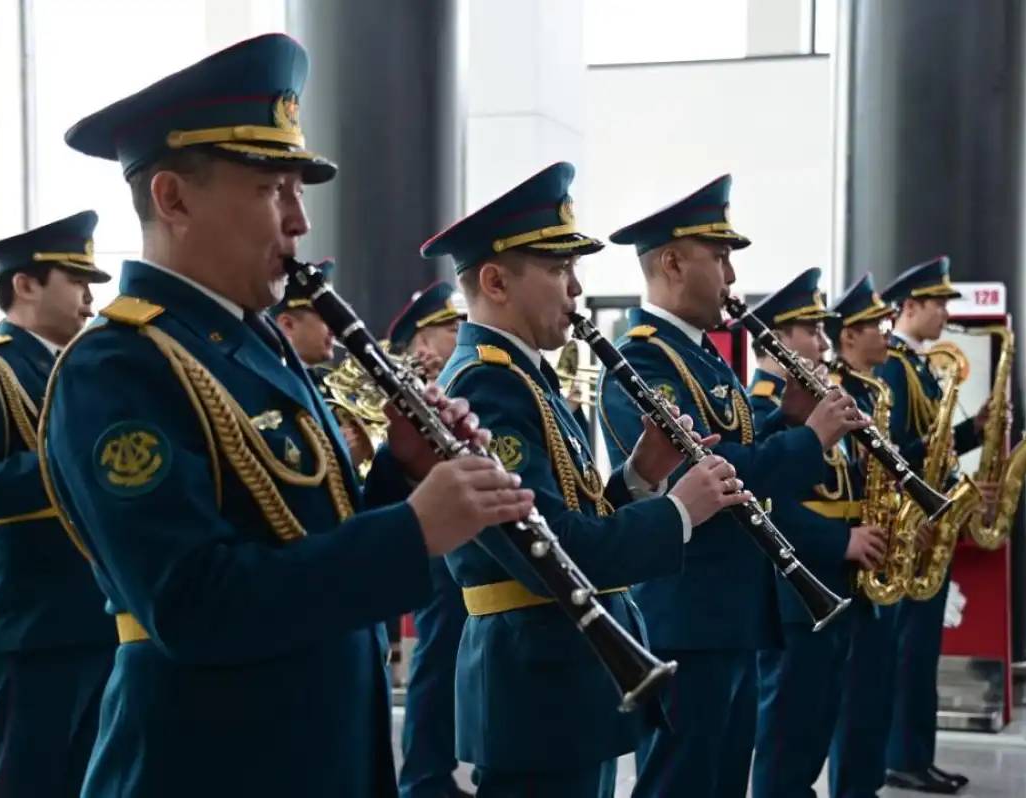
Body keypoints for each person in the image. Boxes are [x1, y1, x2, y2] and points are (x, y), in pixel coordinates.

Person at [42, 34, 534, 796]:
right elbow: (192, 605)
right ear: (172, 198)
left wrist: (400, 474)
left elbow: (310, 537)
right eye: (274, 189)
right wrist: (412, 530)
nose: (300, 222)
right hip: (208, 761)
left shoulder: (257, 342)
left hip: (316, 745)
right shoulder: (119, 364)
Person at [422, 161, 750, 797]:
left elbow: (572, 511)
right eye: (558, 270)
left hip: (560, 674)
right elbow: (548, 552)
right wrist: (678, 513)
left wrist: (640, 475)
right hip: (534, 679)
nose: (576, 289)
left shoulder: (522, 374)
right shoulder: (487, 383)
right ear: (494, 280)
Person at [600, 176, 866, 798]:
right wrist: (812, 439)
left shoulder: (704, 353)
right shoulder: (640, 358)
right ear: (671, 262)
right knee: (681, 779)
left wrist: (791, 417)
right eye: (718, 257)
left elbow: (736, 443)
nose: (729, 275)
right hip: (687, 612)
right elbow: (708, 472)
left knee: (721, 778)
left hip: (734, 608)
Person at [0, 210, 115, 797]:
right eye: (77, 282)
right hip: (32, 625)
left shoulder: (84, 368)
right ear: (25, 284)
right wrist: (71, 464)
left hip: (99, 616)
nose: (91, 299)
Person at [740, 268, 886, 798]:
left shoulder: (814, 402)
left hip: (838, 583)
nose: (824, 342)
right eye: (811, 330)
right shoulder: (758, 411)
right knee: (787, 735)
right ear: (775, 339)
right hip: (796, 594)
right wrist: (841, 541)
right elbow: (763, 502)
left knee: (817, 726)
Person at [877, 256, 987, 795]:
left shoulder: (919, 365)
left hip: (932, 517)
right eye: (938, 302)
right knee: (909, 651)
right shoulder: (895, 366)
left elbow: (934, 446)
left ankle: (918, 754)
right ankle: (902, 756)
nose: (945, 313)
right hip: (913, 527)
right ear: (911, 306)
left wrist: (973, 431)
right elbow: (895, 452)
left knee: (922, 653)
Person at [386, 282, 472, 798]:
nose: (459, 332)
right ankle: (423, 775)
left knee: (454, 655)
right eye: (446, 327)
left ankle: (434, 770)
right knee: (439, 656)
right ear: (419, 344)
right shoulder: (412, 388)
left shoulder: (459, 379)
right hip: (435, 537)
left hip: (461, 529)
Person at [827, 273, 902, 798]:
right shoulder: (832, 393)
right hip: (843, 561)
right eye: (875, 325)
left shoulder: (875, 392)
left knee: (877, 688)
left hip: (877, 549)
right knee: (850, 697)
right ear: (847, 336)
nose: (886, 333)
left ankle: (866, 785)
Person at [270, 257, 337, 382]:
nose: (335, 330)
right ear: (288, 325)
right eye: (327, 318)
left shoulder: (329, 383)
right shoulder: (271, 379)